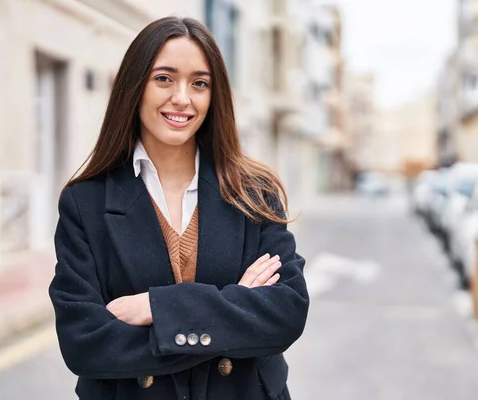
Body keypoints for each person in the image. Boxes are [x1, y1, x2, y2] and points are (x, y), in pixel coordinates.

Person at [48, 16, 309, 400]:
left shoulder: (253, 192)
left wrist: (154, 306)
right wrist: (234, 308)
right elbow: (84, 343)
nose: (182, 98)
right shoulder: (85, 202)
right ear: (135, 88)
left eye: (199, 83)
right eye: (164, 78)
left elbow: (285, 312)